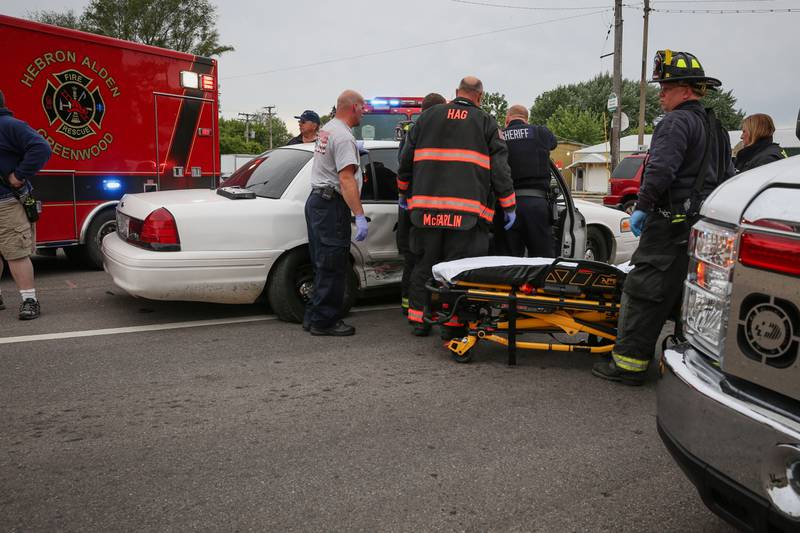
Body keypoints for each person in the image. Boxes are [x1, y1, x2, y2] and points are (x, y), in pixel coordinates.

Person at [592, 50, 735, 385]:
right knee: (691, 296)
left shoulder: (676, 122)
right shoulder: (716, 127)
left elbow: (660, 170)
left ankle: (628, 365)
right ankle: (689, 364)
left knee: (645, 292)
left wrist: (642, 205)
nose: (661, 95)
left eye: (666, 88)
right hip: (702, 228)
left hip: (669, 226)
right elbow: (728, 176)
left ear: (686, 90)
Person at [398, 76, 516, 337]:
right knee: (457, 271)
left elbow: (406, 160)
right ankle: (451, 326)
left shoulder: (427, 118)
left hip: (425, 213)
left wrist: (403, 192)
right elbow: (500, 169)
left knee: (424, 265)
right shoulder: (485, 122)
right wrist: (508, 204)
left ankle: (419, 320)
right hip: (466, 217)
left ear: (456, 91)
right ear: (480, 96)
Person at [303, 90, 368, 336]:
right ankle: (325, 322)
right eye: (362, 107)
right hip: (331, 205)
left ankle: (313, 316)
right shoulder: (343, 137)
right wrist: (359, 214)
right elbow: (346, 179)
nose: (364, 112)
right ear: (353, 108)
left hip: (318, 202)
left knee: (321, 264)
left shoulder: (329, 129)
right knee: (332, 265)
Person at [0, 89, 52, 320]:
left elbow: (42, 147)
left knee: (16, 254)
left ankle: (29, 300)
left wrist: (19, 175)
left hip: (6, 203)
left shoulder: (9, 125)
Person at [396, 92, 446, 316]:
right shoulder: (430, 135)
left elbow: (402, 169)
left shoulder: (413, 132)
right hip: (422, 207)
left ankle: (409, 306)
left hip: (409, 205)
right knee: (424, 261)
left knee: (412, 260)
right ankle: (421, 308)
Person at [494, 104, 558, 257]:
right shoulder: (540, 132)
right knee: (542, 258)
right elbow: (553, 143)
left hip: (507, 206)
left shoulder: (499, 135)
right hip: (536, 205)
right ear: (526, 120)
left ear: (507, 119)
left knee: (507, 259)